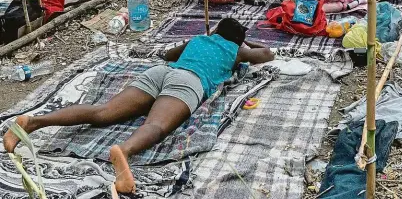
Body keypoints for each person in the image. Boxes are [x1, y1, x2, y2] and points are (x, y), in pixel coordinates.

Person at [3, 18, 274, 193]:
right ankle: (123, 151)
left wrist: (209, 37)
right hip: (188, 82)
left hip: (159, 72)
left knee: (103, 111)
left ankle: (33, 122)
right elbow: (267, 54)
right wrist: (243, 43)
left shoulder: (199, 40)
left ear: (216, 31)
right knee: (155, 126)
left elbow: (168, 54)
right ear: (237, 40)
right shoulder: (235, 50)